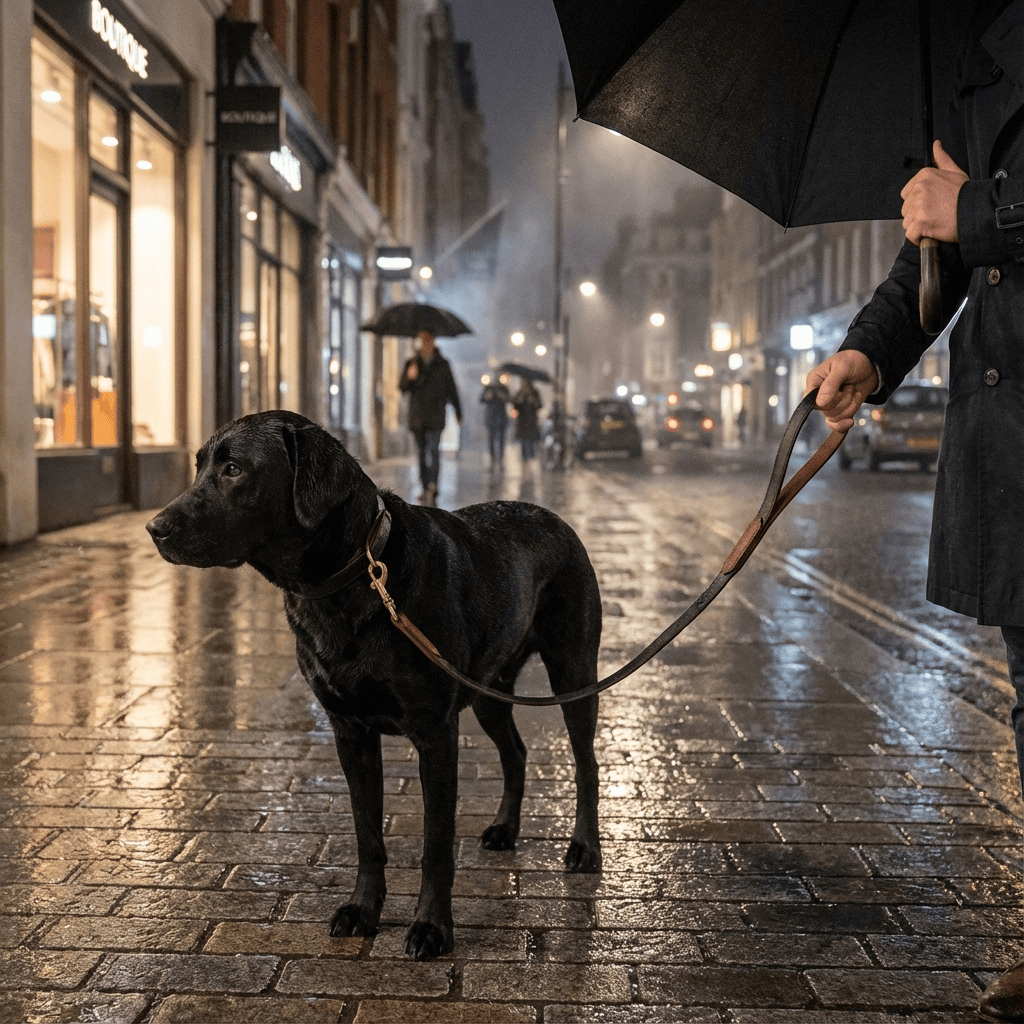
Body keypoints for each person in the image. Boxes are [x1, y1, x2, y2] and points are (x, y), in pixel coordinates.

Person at [807, 4, 1022, 1020]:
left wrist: (971, 205)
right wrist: (869, 351)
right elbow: (936, 264)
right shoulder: (978, 49)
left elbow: (973, 217)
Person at [399, 330, 462, 505]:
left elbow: (452, 389)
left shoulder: (443, 364)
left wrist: (458, 412)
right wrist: (410, 377)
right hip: (417, 416)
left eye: (428, 340)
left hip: (435, 415)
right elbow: (402, 387)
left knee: (434, 450)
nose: (425, 343)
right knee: (421, 452)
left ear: (433, 342)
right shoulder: (412, 363)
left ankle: (433, 485)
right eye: (422, 340)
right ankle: (425, 486)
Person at [480, 379, 510, 469]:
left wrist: (500, 393)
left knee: (501, 440)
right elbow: (482, 399)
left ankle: (501, 460)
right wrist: (489, 394)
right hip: (491, 418)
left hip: (501, 418)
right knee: (491, 440)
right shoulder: (489, 388)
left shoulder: (504, 389)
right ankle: (492, 460)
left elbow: (508, 399)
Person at [512, 378, 543, 462]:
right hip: (522, 421)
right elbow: (515, 406)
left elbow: (540, 405)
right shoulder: (519, 393)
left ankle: (532, 458)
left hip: (532, 421)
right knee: (524, 441)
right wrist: (520, 399)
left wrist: (533, 400)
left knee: (531, 441)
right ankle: (525, 458)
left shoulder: (534, 393)